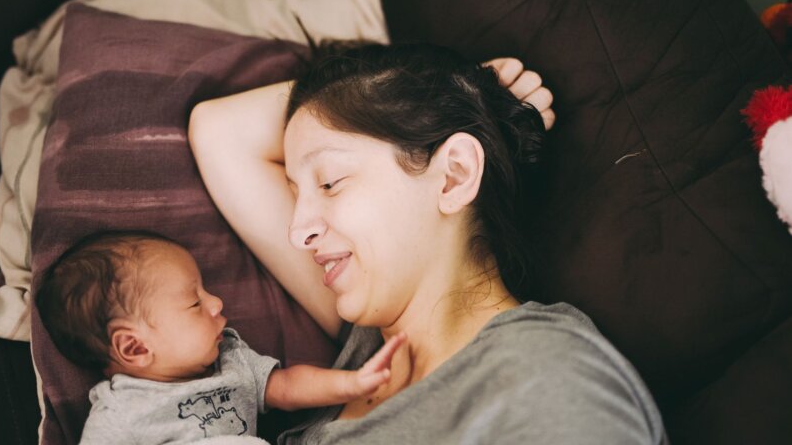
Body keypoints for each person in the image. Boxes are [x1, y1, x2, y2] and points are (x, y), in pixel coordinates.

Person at [189, 42, 668, 444]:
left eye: (330, 182)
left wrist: (457, 95)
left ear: (454, 175)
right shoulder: (367, 348)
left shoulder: (544, 375)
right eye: (295, 194)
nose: (298, 231)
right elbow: (220, 131)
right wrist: (467, 91)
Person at [35, 231, 407, 444]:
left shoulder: (231, 358)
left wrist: (351, 383)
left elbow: (287, 386)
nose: (216, 303)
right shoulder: (119, 416)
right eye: (194, 302)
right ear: (135, 347)